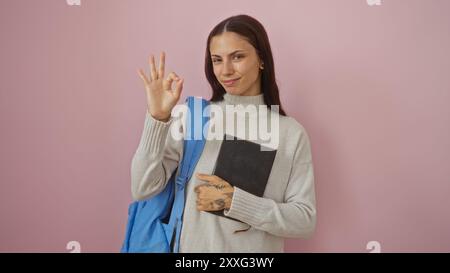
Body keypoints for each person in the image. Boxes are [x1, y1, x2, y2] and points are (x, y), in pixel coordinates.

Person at [133, 14, 316, 252]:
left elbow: (304, 220)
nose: (226, 70)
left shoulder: (290, 132)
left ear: (261, 59)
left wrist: (235, 202)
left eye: (237, 57)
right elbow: (142, 188)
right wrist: (157, 119)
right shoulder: (193, 117)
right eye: (217, 60)